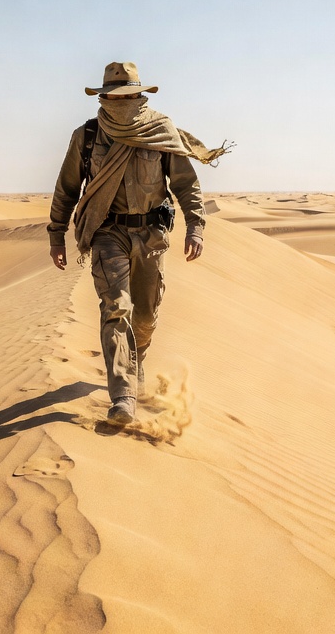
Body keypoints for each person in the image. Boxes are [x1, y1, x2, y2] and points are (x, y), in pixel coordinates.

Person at [47, 62, 232, 425]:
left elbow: (185, 183)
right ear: (102, 97)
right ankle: (123, 396)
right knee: (116, 309)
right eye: (114, 96)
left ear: (140, 95)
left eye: (129, 95)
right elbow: (67, 188)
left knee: (145, 317)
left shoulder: (160, 131)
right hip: (106, 233)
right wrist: (56, 234)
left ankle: (136, 361)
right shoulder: (87, 135)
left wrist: (196, 225)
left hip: (151, 236)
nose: (122, 102)